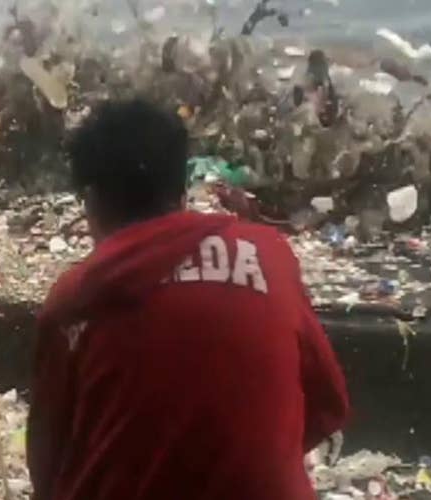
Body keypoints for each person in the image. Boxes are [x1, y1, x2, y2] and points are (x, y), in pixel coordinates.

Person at [27, 98, 349, 500]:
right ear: (181, 192)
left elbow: (46, 464)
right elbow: (326, 405)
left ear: (92, 200)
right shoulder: (269, 255)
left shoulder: (75, 298)